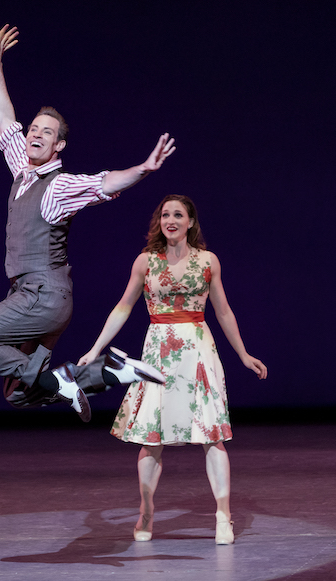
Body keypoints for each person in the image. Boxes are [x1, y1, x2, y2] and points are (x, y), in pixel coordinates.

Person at [0, 25, 175, 422]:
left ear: (59, 146)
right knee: (19, 394)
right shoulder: (22, 170)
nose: (35, 135)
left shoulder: (58, 187)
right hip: (34, 297)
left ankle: (60, 383)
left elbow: (103, 183)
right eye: (33, 130)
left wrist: (143, 168)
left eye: (46, 133)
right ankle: (109, 371)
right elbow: (4, 119)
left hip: (41, 299)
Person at [78, 194, 268, 544]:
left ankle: (223, 515)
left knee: (212, 436)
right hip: (158, 351)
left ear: (191, 222)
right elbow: (123, 307)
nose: (171, 220)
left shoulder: (208, 261)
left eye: (178, 215)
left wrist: (242, 354)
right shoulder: (145, 262)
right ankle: (146, 512)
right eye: (166, 214)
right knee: (152, 439)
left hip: (197, 347)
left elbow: (223, 311)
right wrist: (96, 348)